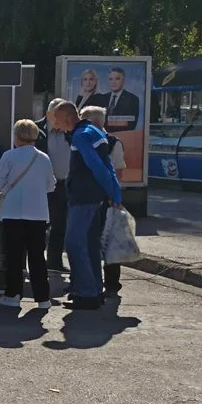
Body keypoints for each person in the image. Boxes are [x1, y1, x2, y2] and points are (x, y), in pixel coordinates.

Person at [47, 100, 122, 311]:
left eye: (57, 120)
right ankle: (95, 290)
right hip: (95, 197)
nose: (56, 126)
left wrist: (112, 192)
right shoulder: (94, 131)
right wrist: (114, 192)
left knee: (74, 244)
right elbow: (108, 166)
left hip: (83, 197)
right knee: (90, 244)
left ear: (67, 118)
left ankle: (86, 293)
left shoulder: (80, 136)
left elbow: (97, 166)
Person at [0, 119, 58, 309]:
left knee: (14, 257)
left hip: (13, 213)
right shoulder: (43, 158)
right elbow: (51, 186)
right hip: (38, 214)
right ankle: (43, 298)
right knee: (37, 257)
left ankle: (13, 295)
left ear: (16, 136)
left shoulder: (9, 156)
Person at [82, 106, 126, 295]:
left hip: (105, 200)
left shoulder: (113, 143)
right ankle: (93, 282)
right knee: (90, 241)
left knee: (109, 242)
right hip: (90, 198)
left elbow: (118, 172)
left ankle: (110, 283)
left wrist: (113, 197)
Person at [35, 99, 71, 271]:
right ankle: (36, 261)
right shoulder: (36, 130)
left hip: (64, 184)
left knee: (60, 224)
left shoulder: (70, 130)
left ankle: (54, 262)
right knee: (39, 225)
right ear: (49, 114)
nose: (62, 119)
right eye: (59, 115)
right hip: (41, 186)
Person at [87, 66, 140, 132]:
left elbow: (131, 124)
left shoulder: (132, 99)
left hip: (121, 136)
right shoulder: (102, 98)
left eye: (117, 79)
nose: (113, 82)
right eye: (111, 79)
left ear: (124, 80)